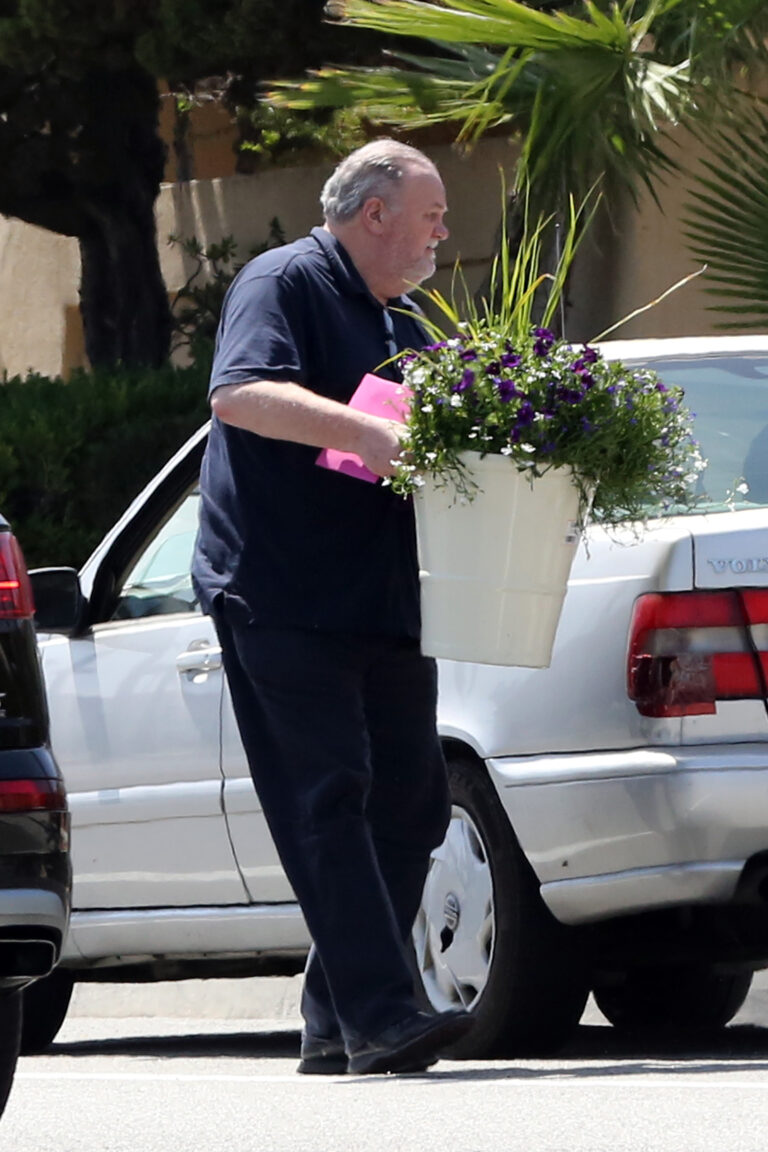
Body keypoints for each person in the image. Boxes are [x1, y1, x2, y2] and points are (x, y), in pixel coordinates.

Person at [191, 139, 473, 1075]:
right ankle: (384, 1014)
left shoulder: (405, 319)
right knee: (329, 796)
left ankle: (331, 1013)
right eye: (431, 214)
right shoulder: (284, 280)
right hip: (280, 592)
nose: (443, 231)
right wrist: (367, 431)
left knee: (416, 802)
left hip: (381, 596)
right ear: (374, 213)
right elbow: (240, 396)